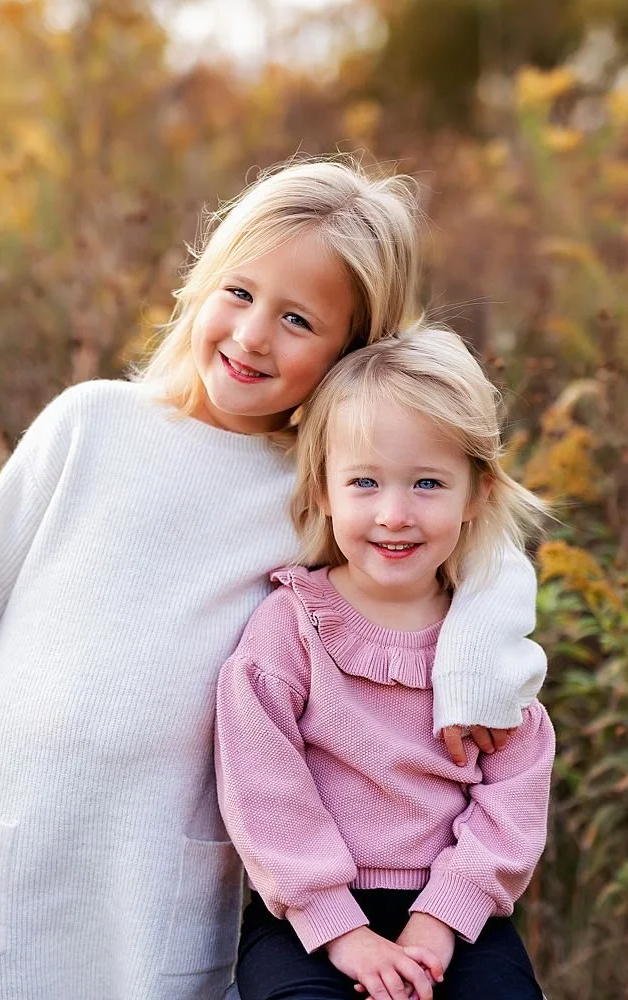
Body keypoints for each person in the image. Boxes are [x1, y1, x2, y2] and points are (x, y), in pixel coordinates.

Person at [0, 158, 547, 999]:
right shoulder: (90, 425)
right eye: (239, 294)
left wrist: (472, 676)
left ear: (347, 353)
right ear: (200, 284)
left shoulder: (314, 486)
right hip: (18, 829)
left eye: (297, 319)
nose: (252, 336)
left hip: (163, 850)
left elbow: (488, 558)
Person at [216, 325, 554, 1000]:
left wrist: (440, 919)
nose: (394, 514)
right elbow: (263, 787)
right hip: (308, 919)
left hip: (457, 913)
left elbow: (515, 790)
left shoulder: (484, 644)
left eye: (428, 483)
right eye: (364, 482)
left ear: (477, 493)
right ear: (323, 490)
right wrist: (341, 929)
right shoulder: (293, 629)